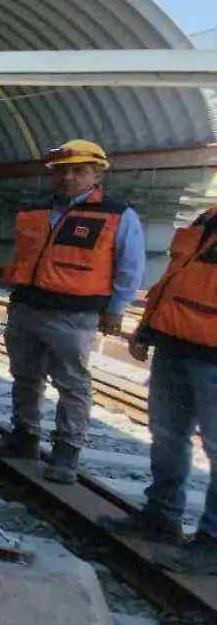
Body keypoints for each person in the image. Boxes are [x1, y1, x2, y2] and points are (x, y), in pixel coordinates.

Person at [0, 140, 145, 483]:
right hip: (27, 306)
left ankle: (66, 452)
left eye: (78, 170)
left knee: (72, 383)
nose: (68, 177)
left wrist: (117, 309)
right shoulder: (33, 212)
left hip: (73, 314)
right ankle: (25, 435)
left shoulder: (117, 214)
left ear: (97, 175)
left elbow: (130, 265)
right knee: (25, 375)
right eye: (61, 171)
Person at [110, 207, 217, 571]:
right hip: (174, 346)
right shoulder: (206, 220)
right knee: (168, 436)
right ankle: (162, 517)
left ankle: (212, 543)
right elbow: (174, 280)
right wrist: (147, 328)